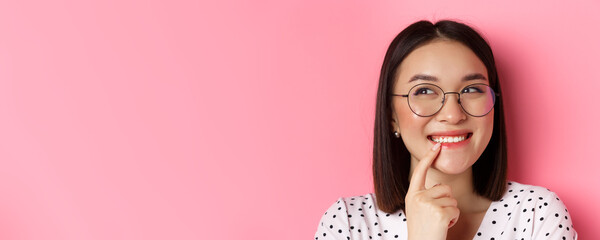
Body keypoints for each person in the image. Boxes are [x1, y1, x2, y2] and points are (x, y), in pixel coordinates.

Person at [314, 20, 577, 240]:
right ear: (390, 116)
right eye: (424, 91)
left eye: (472, 89)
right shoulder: (348, 223)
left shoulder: (535, 215)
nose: (453, 114)